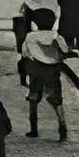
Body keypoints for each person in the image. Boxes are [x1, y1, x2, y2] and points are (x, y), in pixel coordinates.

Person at [21, 8, 69, 141]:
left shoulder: (30, 37)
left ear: (35, 23)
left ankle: (34, 129)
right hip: (52, 71)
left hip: (35, 70)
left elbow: (25, 53)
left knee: (33, 99)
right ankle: (62, 125)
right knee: (57, 100)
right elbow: (65, 51)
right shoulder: (57, 36)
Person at [12, 0, 37, 85]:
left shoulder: (24, 0)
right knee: (26, 53)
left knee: (22, 53)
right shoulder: (27, 1)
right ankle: (26, 77)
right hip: (23, 25)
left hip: (20, 25)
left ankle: (23, 77)